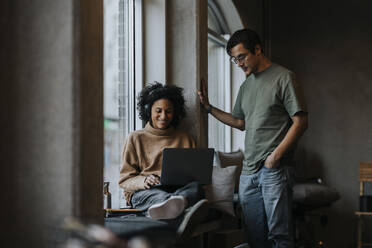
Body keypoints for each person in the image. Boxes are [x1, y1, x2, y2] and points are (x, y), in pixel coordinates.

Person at [198, 28, 308, 248]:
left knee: (280, 237)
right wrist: (209, 108)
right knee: (255, 238)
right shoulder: (247, 85)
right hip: (248, 173)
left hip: (274, 169)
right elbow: (240, 122)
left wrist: (275, 156)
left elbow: (301, 122)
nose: (239, 64)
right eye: (234, 60)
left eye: (242, 57)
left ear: (257, 49)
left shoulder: (284, 77)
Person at [119, 82, 204, 220]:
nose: (163, 116)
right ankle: (177, 206)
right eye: (158, 111)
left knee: (196, 189)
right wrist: (144, 180)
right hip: (147, 192)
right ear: (148, 111)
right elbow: (125, 180)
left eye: (168, 111)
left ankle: (173, 206)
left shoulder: (186, 139)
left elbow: (195, 177)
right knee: (160, 197)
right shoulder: (135, 138)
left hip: (178, 190)